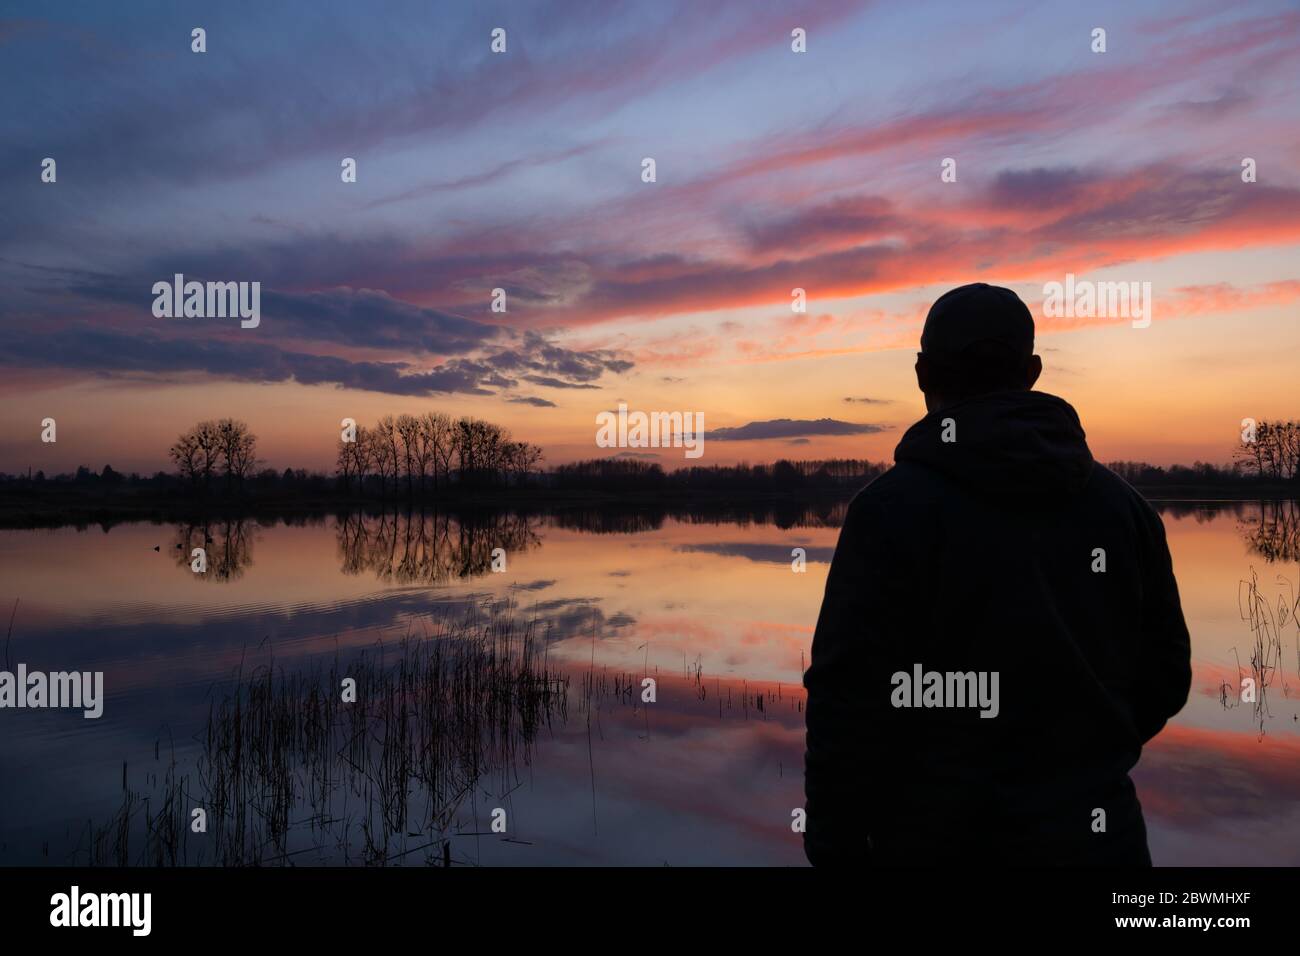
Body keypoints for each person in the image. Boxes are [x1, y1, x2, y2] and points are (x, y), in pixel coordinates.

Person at [802, 283, 1191, 866]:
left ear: (922, 373)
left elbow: (847, 699)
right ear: (1032, 371)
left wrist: (835, 844)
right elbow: (1165, 679)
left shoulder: (889, 511)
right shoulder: (1125, 509)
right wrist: (1078, 766)